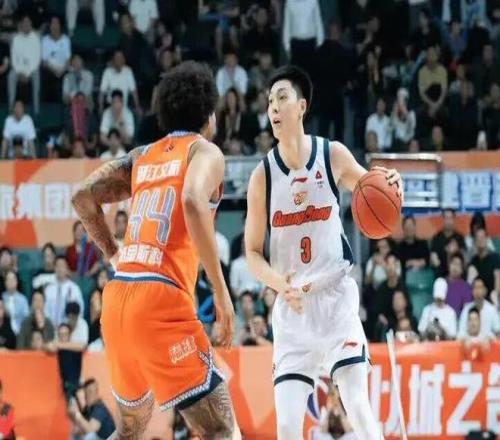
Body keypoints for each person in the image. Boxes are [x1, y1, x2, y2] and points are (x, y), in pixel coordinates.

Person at [72, 61, 239, 439]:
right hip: (161, 300)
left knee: (130, 428)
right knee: (220, 429)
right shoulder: (205, 152)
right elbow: (192, 200)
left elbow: (81, 197)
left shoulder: (141, 156)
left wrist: (115, 255)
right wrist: (220, 290)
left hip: (118, 298)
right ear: (209, 116)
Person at [245, 65, 402, 440]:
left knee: (357, 405)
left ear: (301, 106)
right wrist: (277, 283)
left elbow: (374, 189)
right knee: (286, 426)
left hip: (335, 300)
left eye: (282, 97)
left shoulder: (331, 155)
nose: (273, 107)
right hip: (293, 308)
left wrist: (394, 184)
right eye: (269, 101)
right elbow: (251, 252)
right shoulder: (262, 176)